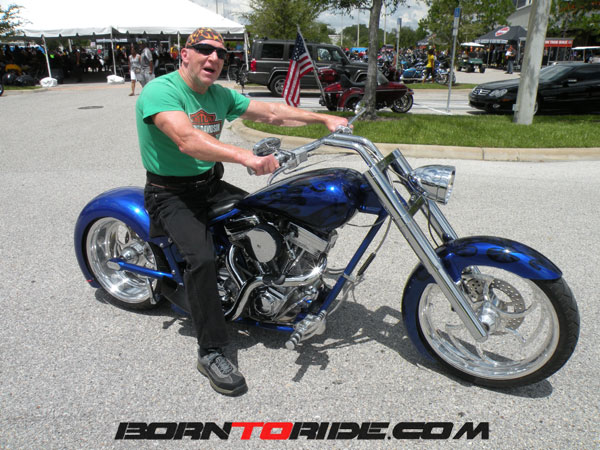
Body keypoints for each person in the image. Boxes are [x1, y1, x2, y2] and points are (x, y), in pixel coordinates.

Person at [136, 27, 348, 397]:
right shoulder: (161, 90)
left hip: (209, 184)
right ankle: (211, 351)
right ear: (185, 54)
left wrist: (323, 120)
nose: (214, 58)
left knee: (270, 220)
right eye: (205, 50)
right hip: (170, 193)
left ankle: (280, 286)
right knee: (201, 260)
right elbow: (187, 139)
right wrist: (246, 157)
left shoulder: (220, 94)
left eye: (221, 53)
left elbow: (272, 112)